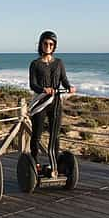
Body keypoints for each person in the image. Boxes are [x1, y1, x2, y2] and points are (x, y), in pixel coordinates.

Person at [28, 31, 75, 172]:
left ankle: (53, 162)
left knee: (55, 135)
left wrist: (69, 87)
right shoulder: (35, 64)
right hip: (41, 102)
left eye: (51, 44)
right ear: (41, 44)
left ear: (54, 46)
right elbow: (32, 84)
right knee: (37, 134)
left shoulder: (59, 63)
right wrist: (43, 89)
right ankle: (34, 162)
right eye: (45, 43)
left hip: (55, 102)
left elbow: (64, 79)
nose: (48, 46)